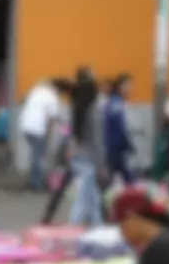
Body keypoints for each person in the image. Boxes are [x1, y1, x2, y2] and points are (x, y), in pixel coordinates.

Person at [67, 67, 106, 227]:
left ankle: (98, 227)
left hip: (78, 156)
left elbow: (73, 133)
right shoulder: (94, 112)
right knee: (84, 199)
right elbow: (97, 141)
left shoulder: (77, 108)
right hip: (89, 158)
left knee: (93, 197)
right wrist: (102, 166)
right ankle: (73, 229)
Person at [19, 78, 65, 191]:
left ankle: (35, 180)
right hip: (37, 128)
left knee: (36, 154)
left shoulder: (36, 91)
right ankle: (36, 183)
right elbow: (51, 119)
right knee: (38, 155)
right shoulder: (52, 97)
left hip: (25, 126)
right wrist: (47, 137)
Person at [104, 74, 135, 185]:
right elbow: (118, 127)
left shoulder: (115, 102)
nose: (130, 90)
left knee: (115, 176)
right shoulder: (116, 103)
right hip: (115, 147)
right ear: (120, 87)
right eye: (128, 86)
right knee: (127, 176)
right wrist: (127, 144)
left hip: (114, 146)